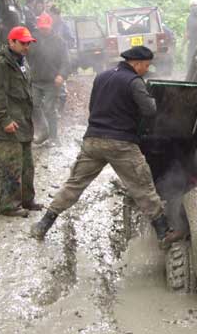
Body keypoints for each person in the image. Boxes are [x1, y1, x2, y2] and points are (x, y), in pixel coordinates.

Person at [30, 46, 180, 248]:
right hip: (121, 144)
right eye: (146, 66)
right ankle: (164, 234)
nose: (147, 69)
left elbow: (93, 108)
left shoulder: (101, 77)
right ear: (135, 63)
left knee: (74, 185)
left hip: (93, 140)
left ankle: (43, 225)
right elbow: (149, 110)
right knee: (143, 187)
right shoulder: (134, 81)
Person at [0, 26, 43, 217]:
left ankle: (27, 199)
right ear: (11, 42)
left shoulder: (22, 61)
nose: (27, 46)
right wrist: (4, 120)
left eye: (28, 43)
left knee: (27, 165)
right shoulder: (1, 64)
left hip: (24, 122)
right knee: (9, 166)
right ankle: (10, 205)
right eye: (23, 43)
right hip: (8, 126)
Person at [27, 13, 69, 145]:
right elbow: (25, 56)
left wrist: (61, 75)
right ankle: (44, 131)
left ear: (50, 26)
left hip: (52, 81)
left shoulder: (59, 41)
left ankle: (54, 137)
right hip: (35, 80)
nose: (43, 30)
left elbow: (66, 61)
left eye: (45, 27)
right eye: (41, 28)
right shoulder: (32, 40)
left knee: (49, 108)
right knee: (34, 106)